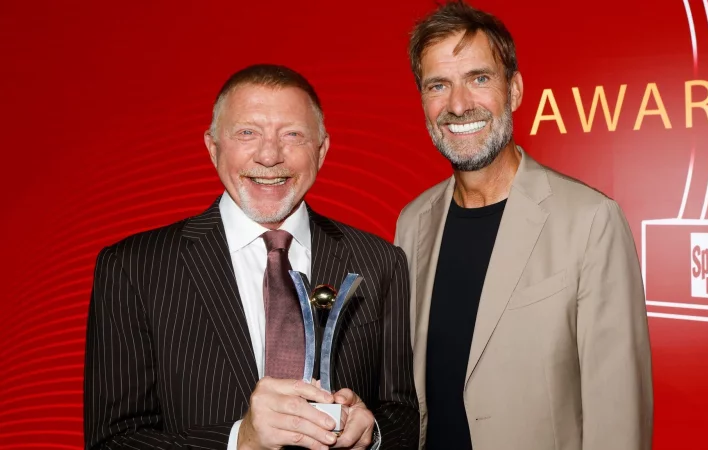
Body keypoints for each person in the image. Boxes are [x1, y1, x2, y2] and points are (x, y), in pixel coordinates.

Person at [84, 64, 419, 450]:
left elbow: (404, 415)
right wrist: (238, 440)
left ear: (322, 150)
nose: (269, 155)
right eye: (248, 133)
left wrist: (374, 434)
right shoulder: (133, 268)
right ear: (213, 147)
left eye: (292, 134)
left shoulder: (380, 262)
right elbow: (113, 442)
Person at [394, 1, 654, 449]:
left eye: (479, 78)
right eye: (439, 85)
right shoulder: (412, 221)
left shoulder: (590, 219)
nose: (458, 104)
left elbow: (618, 418)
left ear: (513, 90)